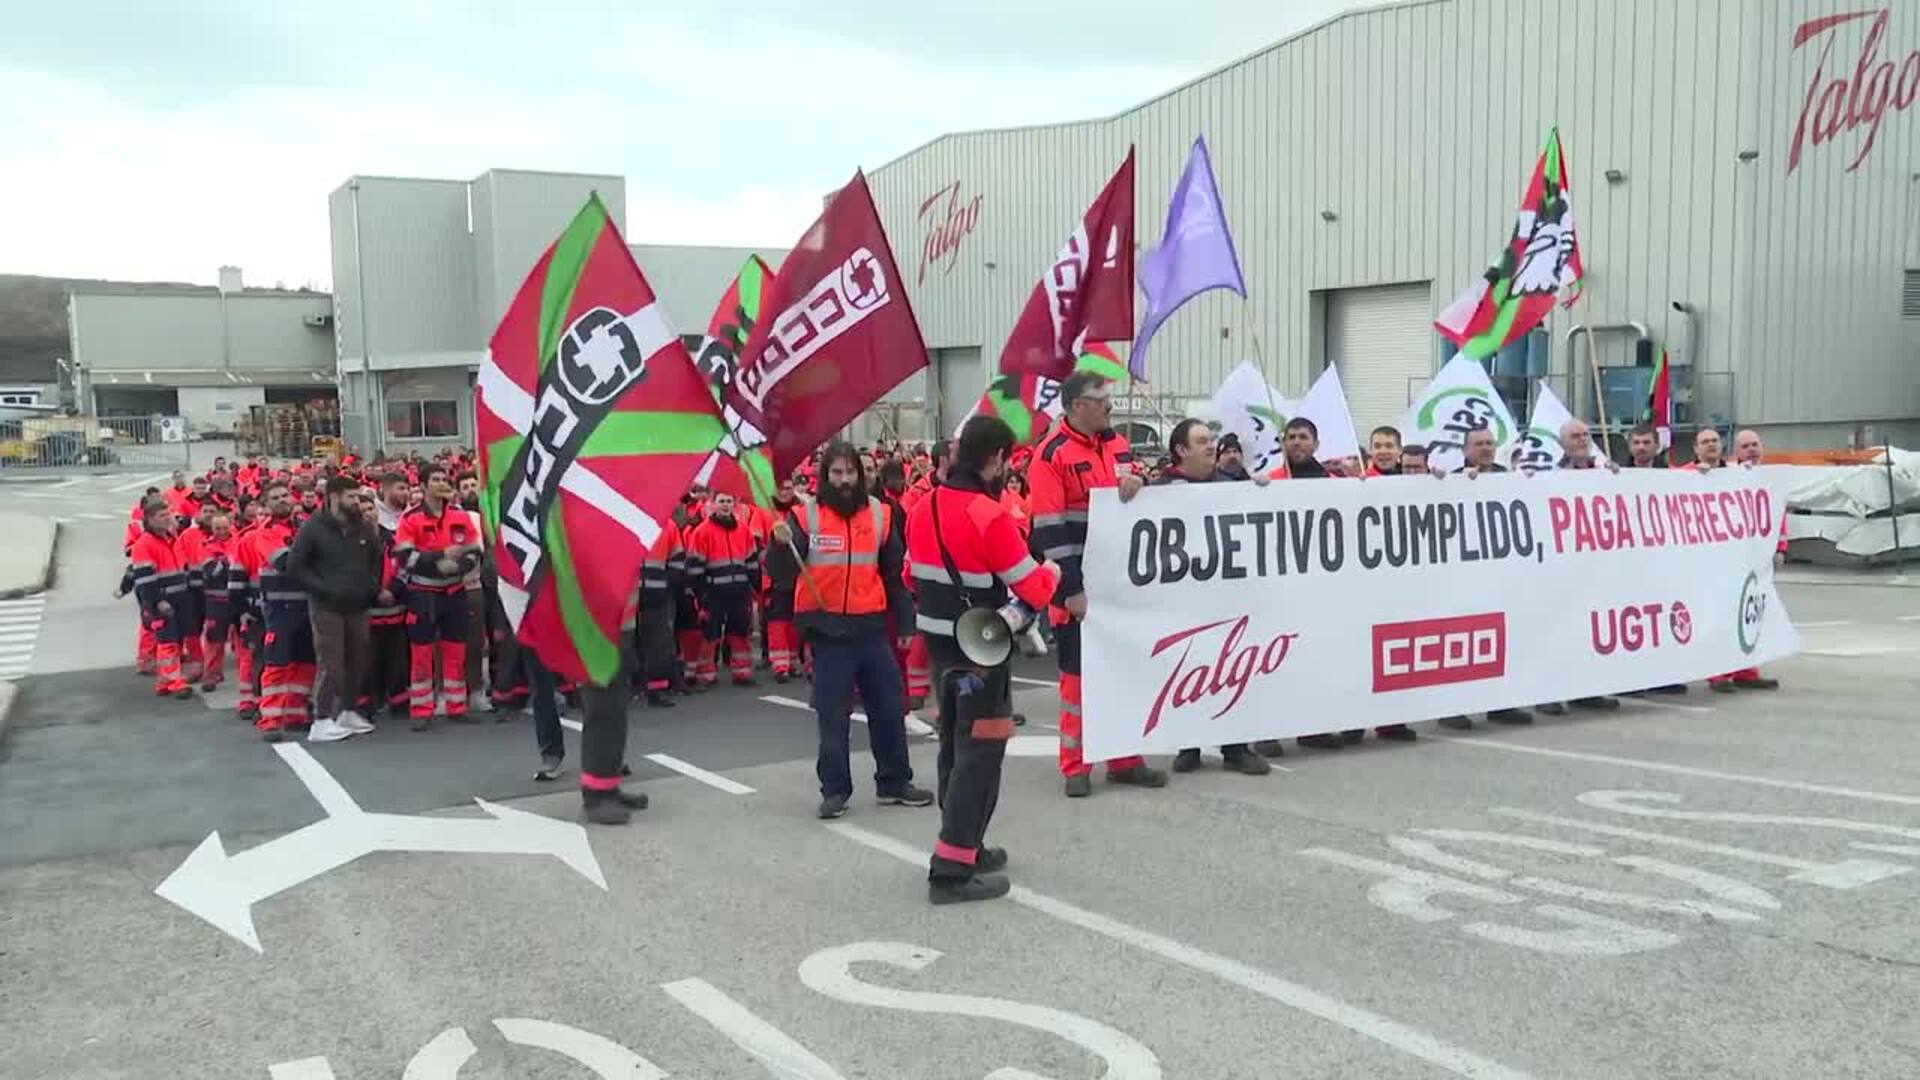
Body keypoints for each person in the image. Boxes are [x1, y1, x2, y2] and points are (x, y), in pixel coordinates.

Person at [908, 415, 1062, 903]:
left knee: (954, 744)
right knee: (981, 753)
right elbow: (1032, 587)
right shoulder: (989, 515)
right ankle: (951, 869)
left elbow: (913, 578)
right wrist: (1054, 573)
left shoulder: (921, 506)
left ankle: (964, 843)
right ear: (996, 459)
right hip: (981, 651)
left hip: (938, 645)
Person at [770, 441, 933, 819]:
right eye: (836, 473)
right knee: (832, 716)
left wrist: (906, 621)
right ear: (825, 476)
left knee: (890, 709)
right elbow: (781, 574)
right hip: (828, 634)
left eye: (850, 473)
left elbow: (894, 576)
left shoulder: (881, 515)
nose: (844, 481)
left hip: (872, 629)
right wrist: (779, 547)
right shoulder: (804, 517)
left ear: (861, 475)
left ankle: (894, 782)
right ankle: (835, 790)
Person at [1030, 371, 1167, 797]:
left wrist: (1138, 483)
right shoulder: (1050, 456)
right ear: (1075, 407)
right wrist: (1071, 590)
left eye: (1108, 397)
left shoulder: (1119, 446)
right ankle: (1076, 764)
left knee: (1124, 673)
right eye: (1100, 398)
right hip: (1078, 588)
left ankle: (1125, 759)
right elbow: (1049, 531)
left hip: (1120, 587)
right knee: (1078, 679)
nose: (1110, 405)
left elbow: (1131, 504)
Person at [1155, 420, 1273, 776]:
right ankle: (1188, 745)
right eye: (1202, 441)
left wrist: (1266, 493)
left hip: (1227, 597)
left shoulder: (1233, 486)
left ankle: (1235, 748)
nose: (1211, 446)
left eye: (1212, 440)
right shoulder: (1158, 489)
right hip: (1183, 599)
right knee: (1187, 669)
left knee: (1233, 669)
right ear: (1181, 450)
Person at [1435, 427, 1537, 730]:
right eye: (1479, 444)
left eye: (1490, 443)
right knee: (1460, 643)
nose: (1486, 448)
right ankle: (1452, 707)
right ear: (1465, 449)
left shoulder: (1510, 478)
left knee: (1505, 641)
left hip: (1501, 577)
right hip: (1461, 578)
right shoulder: (1449, 479)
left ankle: (1501, 704)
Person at [288, 476, 382, 743]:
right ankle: (321, 718)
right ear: (334, 497)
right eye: (350, 497)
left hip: (358, 605)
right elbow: (296, 567)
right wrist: (324, 589)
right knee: (331, 663)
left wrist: (370, 587)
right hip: (326, 606)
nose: (356, 502)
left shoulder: (363, 528)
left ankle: (348, 711)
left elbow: (375, 558)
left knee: (357, 659)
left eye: (357, 496)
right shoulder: (312, 528)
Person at [393, 466, 482, 730]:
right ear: (423, 485)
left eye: (444, 479)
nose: (441, 483)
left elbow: (473, 550)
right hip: (423, 594)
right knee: (421, 652)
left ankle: (456, 706)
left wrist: (457, 566)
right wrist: (441, 557)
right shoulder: (410, 519)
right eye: (435, 480)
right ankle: (421, 709)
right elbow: (405, 557)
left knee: (456, 650)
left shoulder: (460, 515)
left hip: (455, 592)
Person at [236, 481, 315, 741]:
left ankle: (295, 713)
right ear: (266, 505)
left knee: (305, 661)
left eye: (285, 495)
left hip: (306, 605)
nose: (282, 500)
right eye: (276, 497)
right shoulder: (266, 532)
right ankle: (270, 718)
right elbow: (285, 563)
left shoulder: (304, 525)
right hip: (280, 609)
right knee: (277, 662)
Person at [1709, 429, 1784, 693]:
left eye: (1755, 445)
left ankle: (1747, 669)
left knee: (1753, 612)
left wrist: (1781, 546)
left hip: (1756, 557)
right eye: (1745, 446)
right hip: (1728, 558)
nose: (1751, 450)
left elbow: (1775, 516)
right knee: (1725, 614)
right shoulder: (1726, 477)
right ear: (1736, 453)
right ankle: (1719, 672)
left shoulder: (1768, 480)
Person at [685, 492, 762, 686]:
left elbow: (752, 561)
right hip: (713, 592)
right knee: (711, 634)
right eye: (721, 502)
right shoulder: (702, 532)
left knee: (739, 632)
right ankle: (706, 673)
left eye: (729, 501)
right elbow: (694, 567)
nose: (725, 505)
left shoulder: (743, 530)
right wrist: (700, 593)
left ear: (735, 504)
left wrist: (755, 585)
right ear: (713, 504)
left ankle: (741, 671)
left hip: (739, 591)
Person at [128, 502, 194, 699]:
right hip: (163, 601)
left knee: (177, 639)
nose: (167, 518)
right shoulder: (144, 544)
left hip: (180, 598)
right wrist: (157, 602)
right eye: (161, 515)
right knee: (167, 641)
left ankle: (165, 682)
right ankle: (175, 682)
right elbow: (145, 580)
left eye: (168, 514)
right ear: (149, 520)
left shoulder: (172, 538)